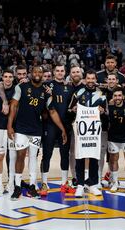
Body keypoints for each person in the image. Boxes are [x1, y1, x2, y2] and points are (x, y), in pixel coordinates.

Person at [7, 66, 67, 200]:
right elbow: (13, 106)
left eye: (40, 72)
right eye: (35, 72)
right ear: (31, 73)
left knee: (33, 157)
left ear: (43, 74)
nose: (37, 74)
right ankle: (17, 187)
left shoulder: (46, 92)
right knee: (21, 155)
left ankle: (32, 186)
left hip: (36, 130)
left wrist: (62, 129)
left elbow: (52, 111)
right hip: (21, 128)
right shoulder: (21, 87)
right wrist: (9, 125)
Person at [69, 69, 107, 198]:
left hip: (95, 131)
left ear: (96, 80)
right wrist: (74, 109)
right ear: (85, 79)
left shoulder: (101, 94)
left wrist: (102, 111)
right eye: (88, 78)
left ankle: (92, 184)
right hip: (81, 131)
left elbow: (106, 112)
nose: (90, 81)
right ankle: (80, 185)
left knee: (94, 157)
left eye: (93, 78)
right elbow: (70, 109)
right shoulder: (78, 93)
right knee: (80, 156)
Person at [40, 64, 74, 196]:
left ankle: (64, 183)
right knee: (47, 154)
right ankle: (44, 183)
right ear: (54, 72)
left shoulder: (69, 88)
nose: (60, 73)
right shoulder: (47, 86)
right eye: (57, 71)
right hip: (49, 125)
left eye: (62, 71)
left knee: (64, 154)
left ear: (65, 72)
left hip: (65, 125)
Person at [107, 87, 125, 193]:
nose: (117, 98)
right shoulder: (109, 108)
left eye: (119, 95)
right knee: (114, 159)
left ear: (123, 97)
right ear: (112, 97)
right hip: (113, 138)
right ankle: (115, 182)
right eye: (115, 96)